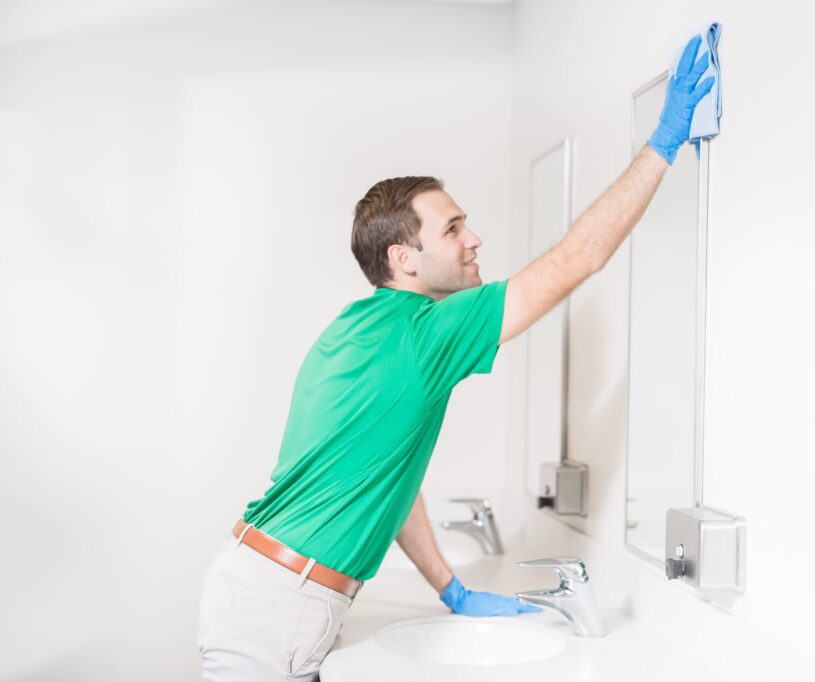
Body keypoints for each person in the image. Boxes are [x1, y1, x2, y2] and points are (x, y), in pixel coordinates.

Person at [197, 36, 715, 681]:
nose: (474, 239)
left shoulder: (359, 328)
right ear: (404, 259)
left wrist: (450, 588)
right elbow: (579, 259)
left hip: (267, 587)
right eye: (452, 229)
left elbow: (388, 481)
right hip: (279, 604)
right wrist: (662, 145)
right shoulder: (425, 333)